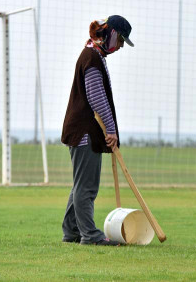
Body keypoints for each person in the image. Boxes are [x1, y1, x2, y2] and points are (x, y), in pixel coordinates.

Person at [61, 15, 134, 246]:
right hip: (85, 132)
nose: (121, 46)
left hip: (81, 131)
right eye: (121, 40)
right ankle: (90, 236)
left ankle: (71, 232)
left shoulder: (94, 54)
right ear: (111, 34)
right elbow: (96, 97)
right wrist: (111, 130)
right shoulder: (92, 57)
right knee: (87, 187)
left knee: (80, 184)